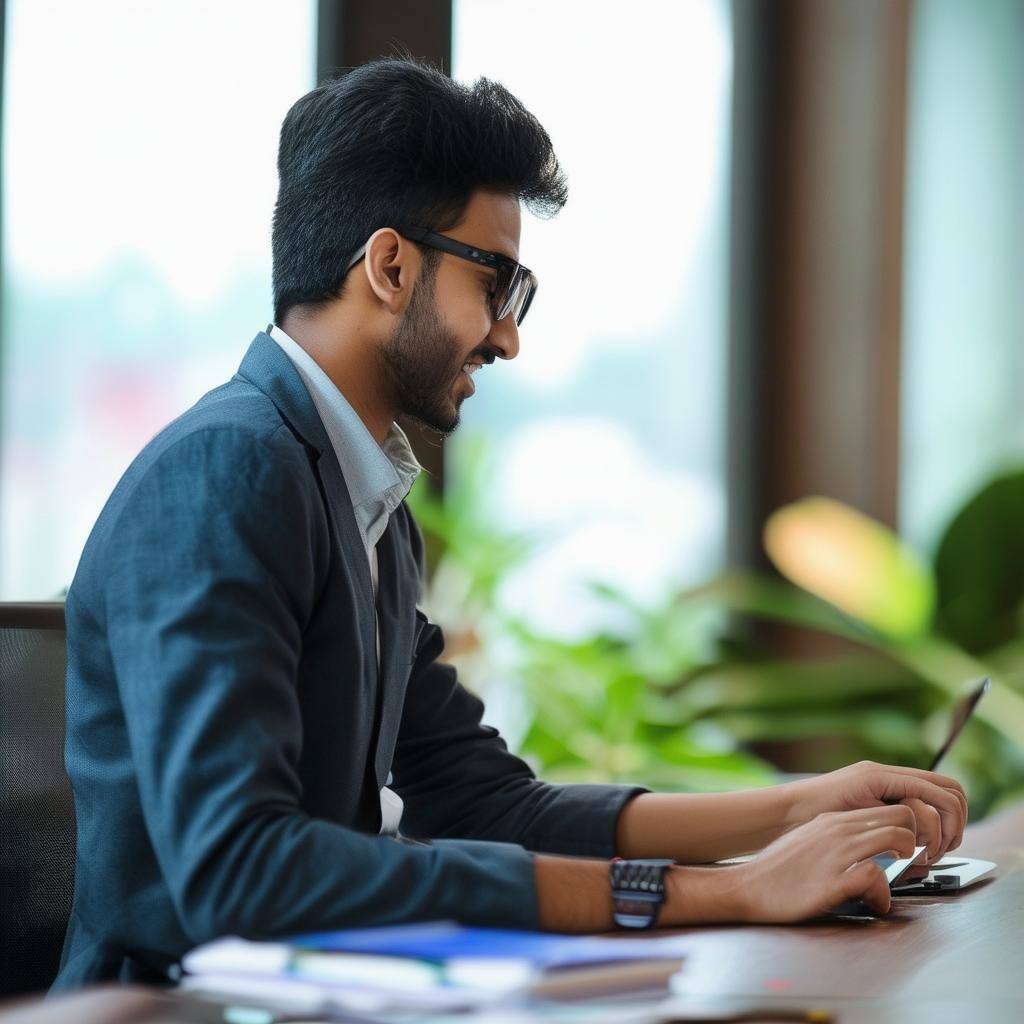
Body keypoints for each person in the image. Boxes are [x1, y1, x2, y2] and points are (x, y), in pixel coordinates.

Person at [55, 57, 967, 989]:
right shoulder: (229, 472)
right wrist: (719, 892)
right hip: (168, 1006)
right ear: (389, 264)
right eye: (499, 285)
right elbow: (240, 872)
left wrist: (799, 811)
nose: (508, 336)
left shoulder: (357, 496)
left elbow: (489, 805)